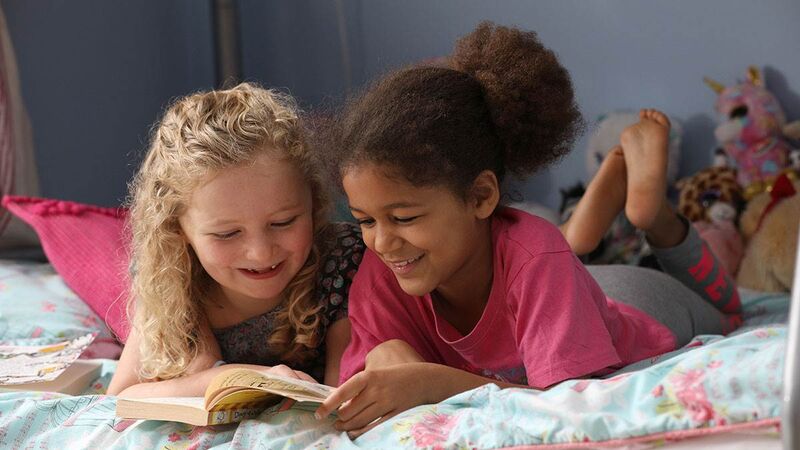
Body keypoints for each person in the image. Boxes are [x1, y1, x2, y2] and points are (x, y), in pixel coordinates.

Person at [313, 22, 742, 436]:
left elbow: (562, 410)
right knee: (550, 252)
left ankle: (652, 216)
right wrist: (390, 359)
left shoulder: (535, 256)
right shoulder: (380, 277)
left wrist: (432, 382)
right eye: (365, 220)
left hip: (641, 301)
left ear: (481, 197)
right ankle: (581, 233)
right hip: (562, 278)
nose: (383, 242)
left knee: (728, 307)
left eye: (404, 218)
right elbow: (353, 401)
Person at [107, 83, 364, 397]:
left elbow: (342, 393)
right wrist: (232, 377)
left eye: (283, 222)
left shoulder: (343, 261)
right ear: (178, 231)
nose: (260, 252)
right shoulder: (171, 279)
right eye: (227, 234)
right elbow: (121, 397)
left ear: (313, 202)